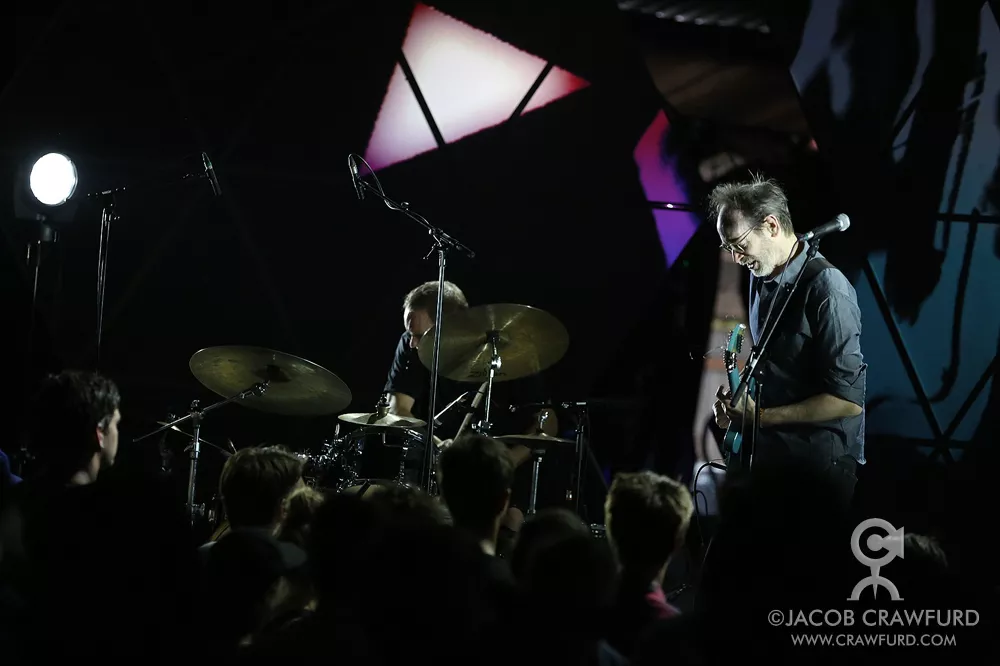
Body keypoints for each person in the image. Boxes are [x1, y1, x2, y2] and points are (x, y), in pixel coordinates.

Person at [708, 176, 866, 503]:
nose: (736, 258)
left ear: (771, 226)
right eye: (728, 248)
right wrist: (739, 409)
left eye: (739, 244)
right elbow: (776, 367)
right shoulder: (762, 275)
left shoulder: (828, 289)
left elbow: (847, 401)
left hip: (817, 472)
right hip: (773, 462)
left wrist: (760, 417)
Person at [382, 281, 558, 521]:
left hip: (501, 470)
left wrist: (504, 464)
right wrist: (438, 447)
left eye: (420, 336)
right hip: (436, 466)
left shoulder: (508, 350)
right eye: (410, 333)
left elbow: (548, 423)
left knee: (513, 518)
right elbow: (398, 409)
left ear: (453, 327)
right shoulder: (410, 344)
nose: (412, 343)